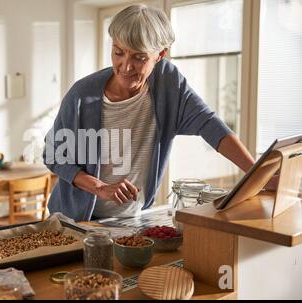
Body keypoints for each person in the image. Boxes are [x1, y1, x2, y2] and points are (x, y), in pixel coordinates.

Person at [43, 4, 273, 222]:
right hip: (74, 220)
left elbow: (209, 124)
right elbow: (53, 155)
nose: (126, 66)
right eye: (118, 52)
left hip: (128, 218)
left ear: (160, 54)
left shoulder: (168, 83)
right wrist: (99, 187)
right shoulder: (82, 95)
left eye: (139, 57)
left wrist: (257, 174)